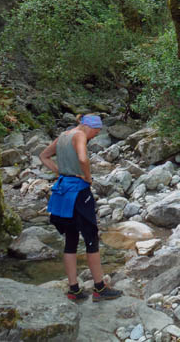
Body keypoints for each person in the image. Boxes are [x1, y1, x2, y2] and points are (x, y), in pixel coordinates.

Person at [40, 114, 122, 301]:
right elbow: (83, 159)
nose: (96, 134)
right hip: (79, 193)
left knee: (71, 240)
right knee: (91, 238)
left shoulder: (63, 136)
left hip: (62, 192)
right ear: (88, 127)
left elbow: (43, 156)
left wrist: (59, 171)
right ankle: (100, 288)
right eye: (96, 131)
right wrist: (88, 177)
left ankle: (74, 289)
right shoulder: (80, 136)